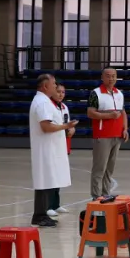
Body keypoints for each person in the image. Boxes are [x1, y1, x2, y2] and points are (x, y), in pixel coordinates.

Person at [29, 74, 77, 227]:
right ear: (45, 86)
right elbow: (46, 126)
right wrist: (66, 126)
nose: (56, 86)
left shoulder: (44, 101)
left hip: (49, 147)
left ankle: (41, 214)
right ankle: (40, 215)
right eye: (54, 83)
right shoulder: (43, 103)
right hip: (46, 148)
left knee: (47, 181)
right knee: (44, 181)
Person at [87, 67, 128, 197]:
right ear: (102, 77)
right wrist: (109, 116)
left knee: (110, 169)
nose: (111, 78)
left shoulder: (119, 93)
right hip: (102, 136)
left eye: (113, 76)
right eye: (108, 76)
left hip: (117, 135)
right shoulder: (96, 93)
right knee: (99, 168)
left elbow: (123, 112)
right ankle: (96, 196)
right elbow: (90, 113)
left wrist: (125, 129)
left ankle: (106, 194)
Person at [46, 82, 73, 218]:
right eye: (58, 91)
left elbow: (66, 124)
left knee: (59, 176)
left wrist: (71, 129)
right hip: (53, 145)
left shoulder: (64, 107)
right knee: (51, 177)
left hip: (64, 145)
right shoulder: (48, 106)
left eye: (63, 92)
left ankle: (56, 204)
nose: (61, 94)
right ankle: (48, 206)